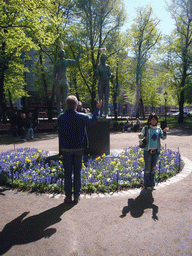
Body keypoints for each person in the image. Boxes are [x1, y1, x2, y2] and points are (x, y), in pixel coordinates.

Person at [57, 95, 102, 204]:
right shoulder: (82, 117)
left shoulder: (61, 117)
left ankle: (68, 196)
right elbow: (93, 119)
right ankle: (76, 195)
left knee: (67, 173)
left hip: (66, 148)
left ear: (66, 104)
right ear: (76, 105)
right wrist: (97, 108)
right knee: (77, 172)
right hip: (78, 148)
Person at [138, 113, 169, 190]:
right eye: (152, 119)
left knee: (153, 168)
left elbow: (163, 137)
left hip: (156, 151)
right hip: (148, 151)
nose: (153, 120)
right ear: (150, 120)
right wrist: (140, 134)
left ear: (156, 120)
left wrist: (164, 131)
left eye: (155, 119)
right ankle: (147, 184)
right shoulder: (146, 128)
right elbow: (141, 136)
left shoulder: (158, 129)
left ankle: (152, 183)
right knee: (148, 169)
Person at [54, 48, 83, 115]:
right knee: (63, 100)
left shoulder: (58, 63)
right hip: (62, 81)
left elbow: (54, 74)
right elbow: (76, 61)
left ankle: (61, 115)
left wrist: (55, 81)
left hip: (60, 81)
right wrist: (79, 53)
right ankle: (63, 115)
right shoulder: (65, 61)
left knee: (60, 100)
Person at [96, 53, 113, 118]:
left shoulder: (108, 67)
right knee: (100, 99)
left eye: (104, 58)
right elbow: (97, 76)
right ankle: (100, 114)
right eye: (101, 58)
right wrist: (96, 73)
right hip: (101, 83)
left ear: (105, 59)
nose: (102, 59)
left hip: (106, 83)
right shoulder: (98, 66)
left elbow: (109, 75)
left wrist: (111, 76)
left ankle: (106, 114)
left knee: (106, 99)